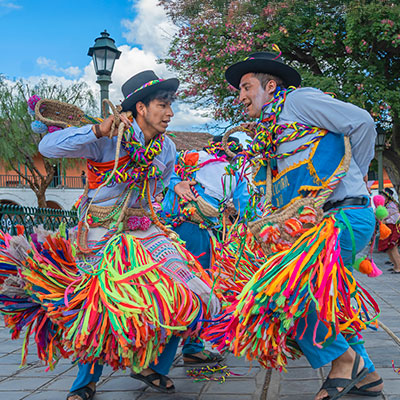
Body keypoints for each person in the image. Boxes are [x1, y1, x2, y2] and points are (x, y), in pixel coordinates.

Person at [36, 70, 219, 400]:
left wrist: (176, 185)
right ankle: (85, 382)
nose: (170, 113)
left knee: (192, 294)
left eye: (170, 105)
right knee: (100, 304)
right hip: (101, 232)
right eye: (163, 105)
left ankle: (152, 366)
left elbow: (164, 180)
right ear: (141, 109)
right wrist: (97, 129)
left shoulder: (167, 147)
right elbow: (47, 147)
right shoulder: (108, 139)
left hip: (146, 231)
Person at [225, 52, 383, 399]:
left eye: (246, 87)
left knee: (285, 291)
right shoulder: (269, 134)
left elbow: (362, 123)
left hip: (342, 216)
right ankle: (368, 375)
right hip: (316, 224)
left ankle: (343, 361)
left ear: (270, 86)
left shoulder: (297, 101)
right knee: (328, 299)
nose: (240, 97)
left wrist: (348, 172)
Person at [161, 135, 252, 363]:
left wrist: (176, 184)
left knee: (168, 285)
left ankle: (163, 345)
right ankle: (190, 347)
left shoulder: (189, 159)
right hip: (198, 234)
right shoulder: (235, 175)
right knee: (199, 287)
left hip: (166, 229)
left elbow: (165, 171)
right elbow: (246, 209)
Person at [378, 188, 400, 273]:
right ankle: (395, 266)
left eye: (383, 195)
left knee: (393, 248)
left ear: (388, 197)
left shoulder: (392, 206)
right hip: (389, 228)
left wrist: (385, 221)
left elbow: (395, 219)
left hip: (394, 228)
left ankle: (399, 267)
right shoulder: (387, 205)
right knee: (389, 249)